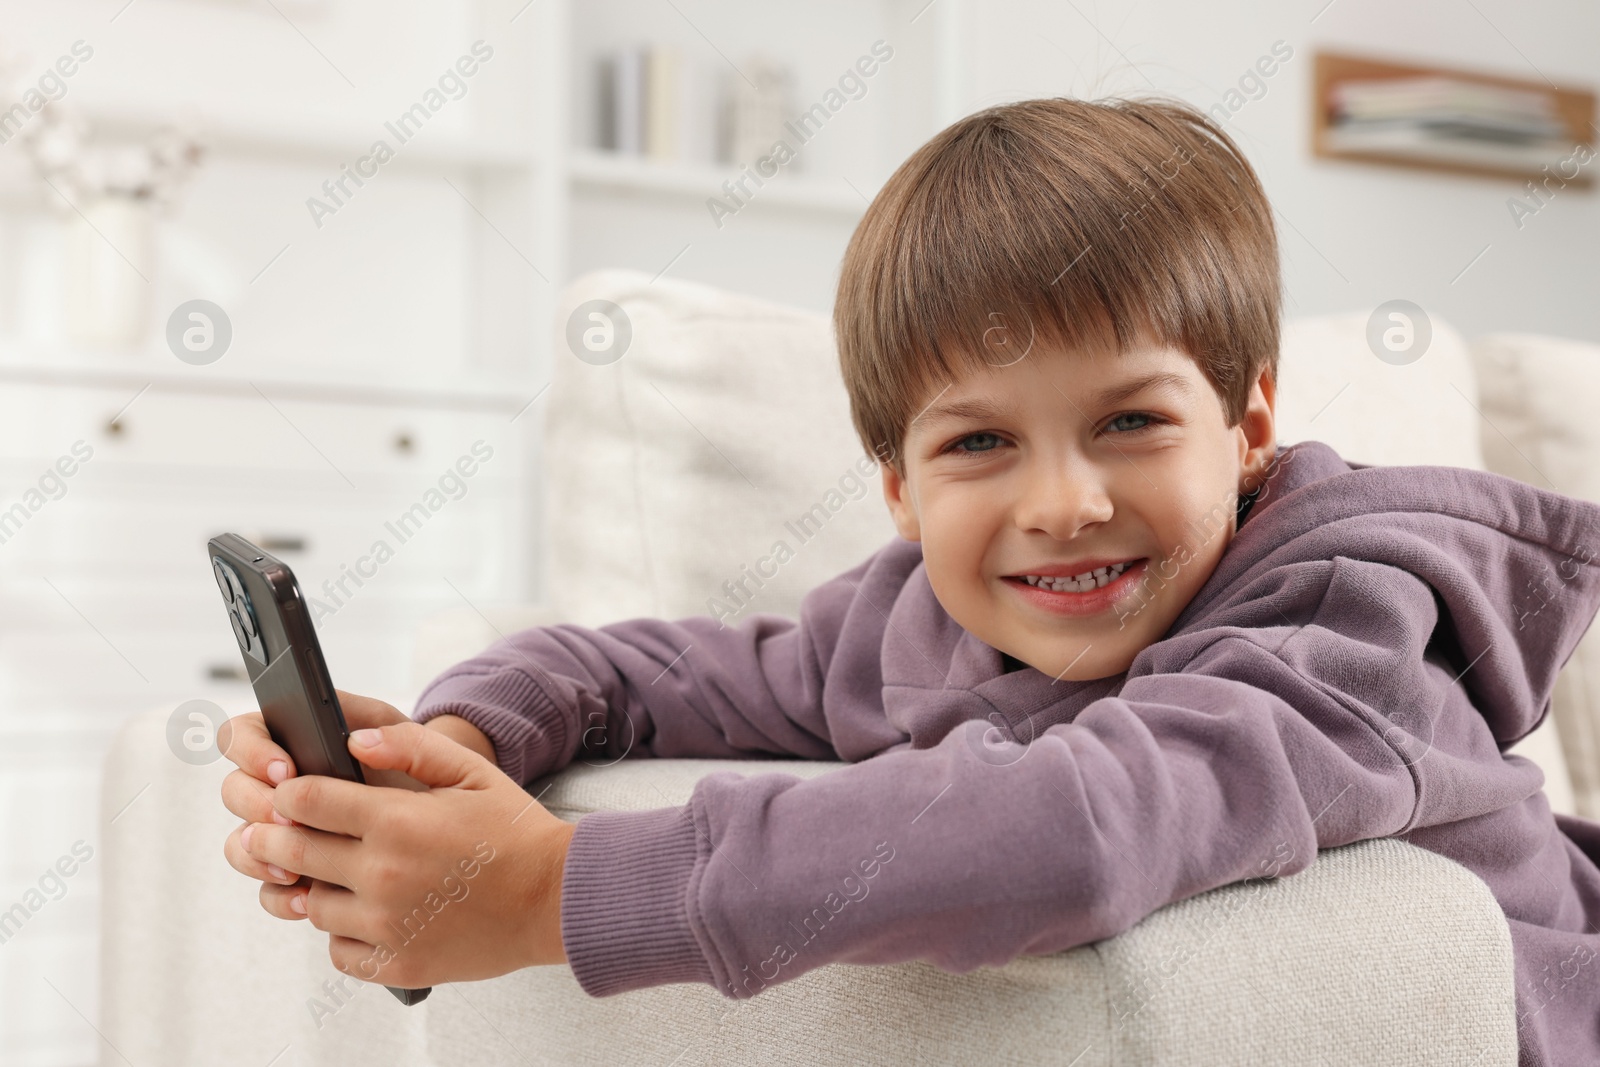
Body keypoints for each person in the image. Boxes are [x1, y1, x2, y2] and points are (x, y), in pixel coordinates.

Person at [219, 96, 1600, 1064]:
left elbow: (1088, 823)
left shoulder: (1345, 632)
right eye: (981, 443)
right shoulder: (901, 625)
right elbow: (639, 675)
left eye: (1131, 421)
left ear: (1247, 432)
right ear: (901, 488)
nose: (1064, 501)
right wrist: (456, 738)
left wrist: (552, 891)